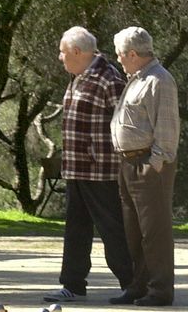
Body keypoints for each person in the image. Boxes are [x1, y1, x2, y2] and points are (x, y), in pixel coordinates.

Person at [42, 26, 133, 303]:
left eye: (63, 52)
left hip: (100, 169)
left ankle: (133, 283)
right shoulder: (78, 77)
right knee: (75, 229)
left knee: (112, 228)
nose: (60, 58)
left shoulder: (108, 79)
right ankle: (73, 284)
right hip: (76, 169)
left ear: (77, 52)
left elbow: (125, 123)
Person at [108, 27, 179, 307]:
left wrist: (155, 164)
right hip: (128, 164)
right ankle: (139, 287)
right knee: (134, 232)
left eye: (120, 55)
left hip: (148, 165)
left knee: (155, 232)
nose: (119, 60)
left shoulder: (159, 80)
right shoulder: (136, 79)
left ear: (133, 54)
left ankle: (160, 291)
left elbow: (167, 129)